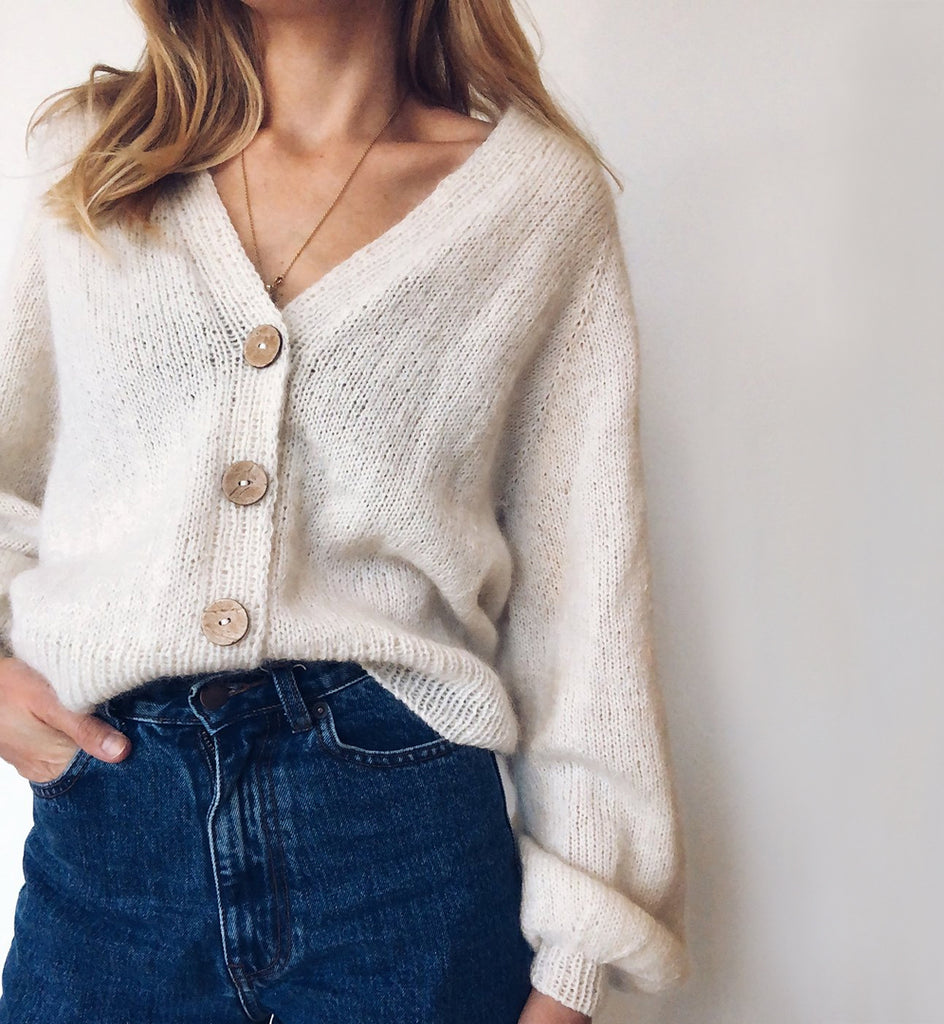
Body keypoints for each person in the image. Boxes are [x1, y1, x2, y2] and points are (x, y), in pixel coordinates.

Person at [0, 1, 693, 1022]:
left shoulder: (538, 203)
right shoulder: (94, 156)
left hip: (400, 849)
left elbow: (584, 597)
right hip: (111, 851)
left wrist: (575, 968)